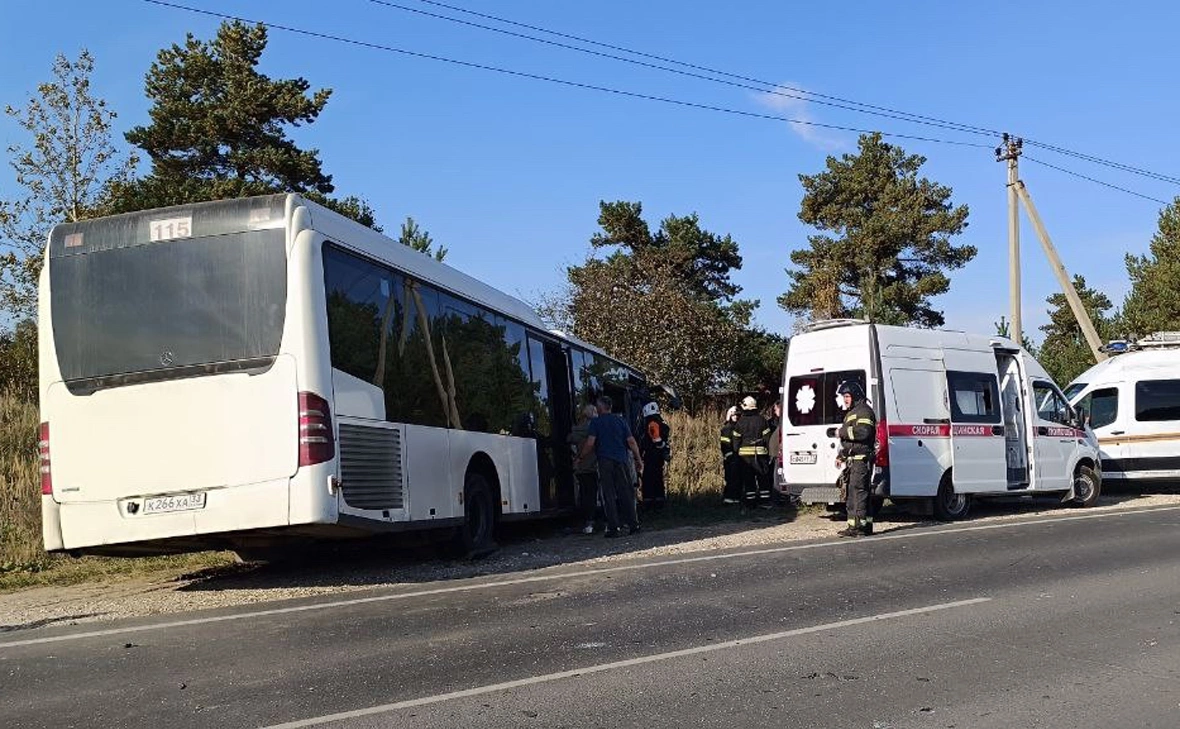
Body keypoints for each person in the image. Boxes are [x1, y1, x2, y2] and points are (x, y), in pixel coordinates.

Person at [576, 395, 643, 537]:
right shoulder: (621, 421)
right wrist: (638, 459)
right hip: (622, 460)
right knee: (626, 492)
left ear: (600, 408)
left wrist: (580, 457)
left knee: (609, 494)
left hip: (605, 461)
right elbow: (631, 442)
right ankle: (633, 524)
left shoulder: (596, 423)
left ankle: (614, 528)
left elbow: (590, 443)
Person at [835, 381, 877, 538]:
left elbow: (864, 432)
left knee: (857, 493)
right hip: (854, 459)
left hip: (861, 460)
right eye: (844, 397)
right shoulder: (852, 412)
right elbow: (851, 443)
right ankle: (862, 525)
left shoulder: (864, 412)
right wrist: (841, 456)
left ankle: (858, 527)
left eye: (847, 396)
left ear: (855, 395)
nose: (845, 400)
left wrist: (842, 432)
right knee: (855, 493)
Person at [732, 396, 773, 508]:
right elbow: (768, 439)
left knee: (748, 480)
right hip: (760, 455)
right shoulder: (762, 420)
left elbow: (736, 440)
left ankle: (751, 503)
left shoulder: (740, 422)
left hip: (745, 458)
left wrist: (736, 454)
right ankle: (765, 503)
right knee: (763, 478)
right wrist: (770, 453)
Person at [567, 404, 600, 534]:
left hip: (580, 467)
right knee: (592, 495)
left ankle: (584, 520)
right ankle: (591, 522)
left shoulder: (576, 430)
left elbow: (569, 439)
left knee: (583, 494)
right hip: (591, 466)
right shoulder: (593, 428)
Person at [638, 401, 671, 508]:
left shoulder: (651, 423)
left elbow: (656, 439)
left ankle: (649, 503)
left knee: (648, 479)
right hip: (659, 456)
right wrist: (665, 450)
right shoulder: (662, 424)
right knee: (658, 479)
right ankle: (659, 501)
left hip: (652, 456)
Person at [719, 405, 741, 504]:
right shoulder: (727, 429)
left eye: (737, 415)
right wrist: (730, 456)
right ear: (729, 416)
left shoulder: (739, 427)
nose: (736, 417)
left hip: (738, 457)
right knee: (731, 479)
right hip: (731, 458)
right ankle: (728, 499)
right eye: (734, 415)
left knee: (738, 479)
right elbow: (724, 445)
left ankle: (736, 499)